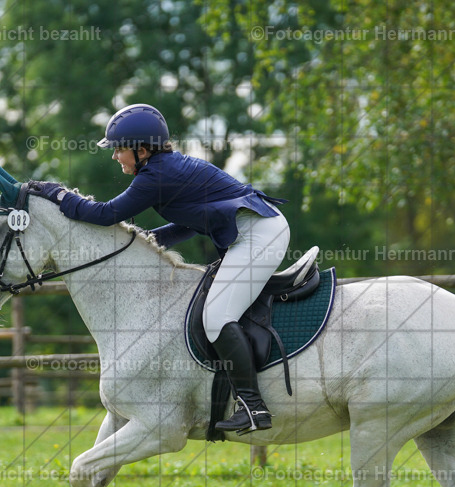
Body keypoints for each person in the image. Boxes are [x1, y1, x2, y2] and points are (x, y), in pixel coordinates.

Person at [28, 104, 289, 433]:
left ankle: (253, 407)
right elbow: (188, 226)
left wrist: (60, 194)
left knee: (217, 315)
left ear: (142, 149)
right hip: (253, 233)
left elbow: (107, 214)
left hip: (260, 234)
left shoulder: (157, 175)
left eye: (119, 149)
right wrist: (147, 241)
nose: (115, 156)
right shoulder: (164, 169)